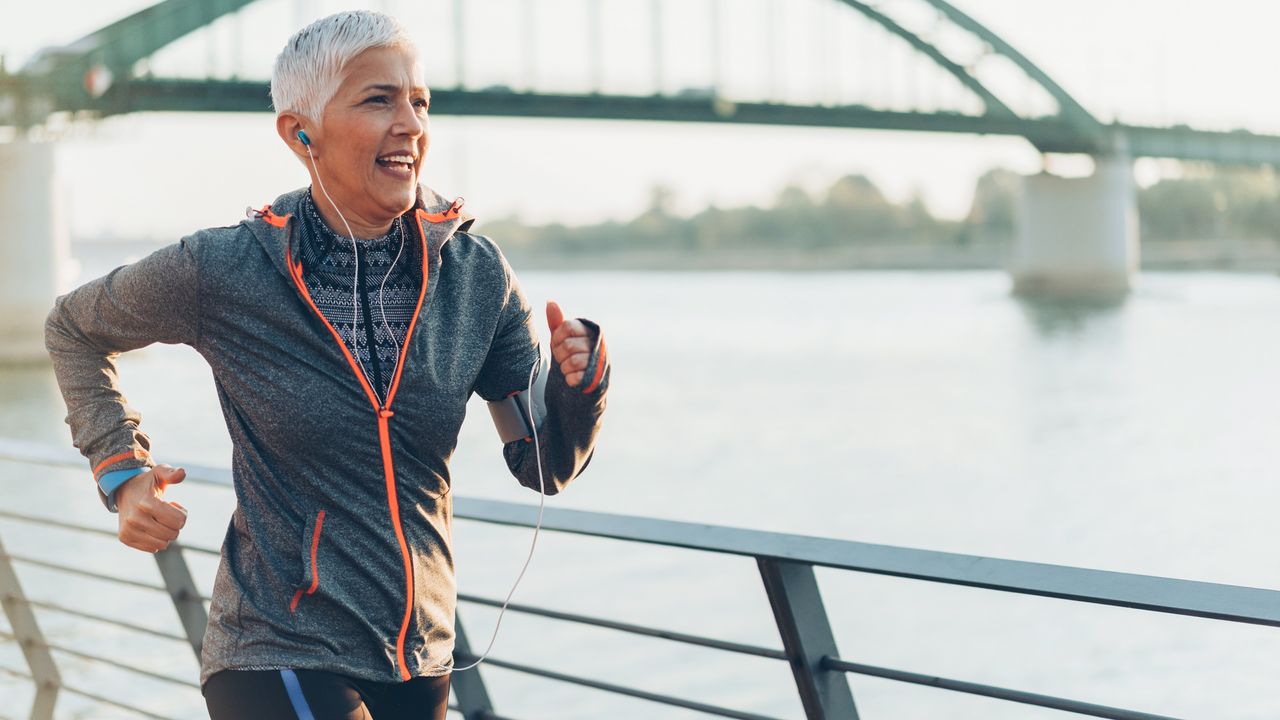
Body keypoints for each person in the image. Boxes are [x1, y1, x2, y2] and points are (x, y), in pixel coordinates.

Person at [44, 10, 610, 719]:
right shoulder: (229, 268)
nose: (411, 124)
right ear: (299, 131)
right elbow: (73, 326)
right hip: (276, 647)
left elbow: (544, 464)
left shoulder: (476, 276)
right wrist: (120, 470)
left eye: (420, 101)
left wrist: (580, 387)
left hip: (419, 658)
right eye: (379, 99)